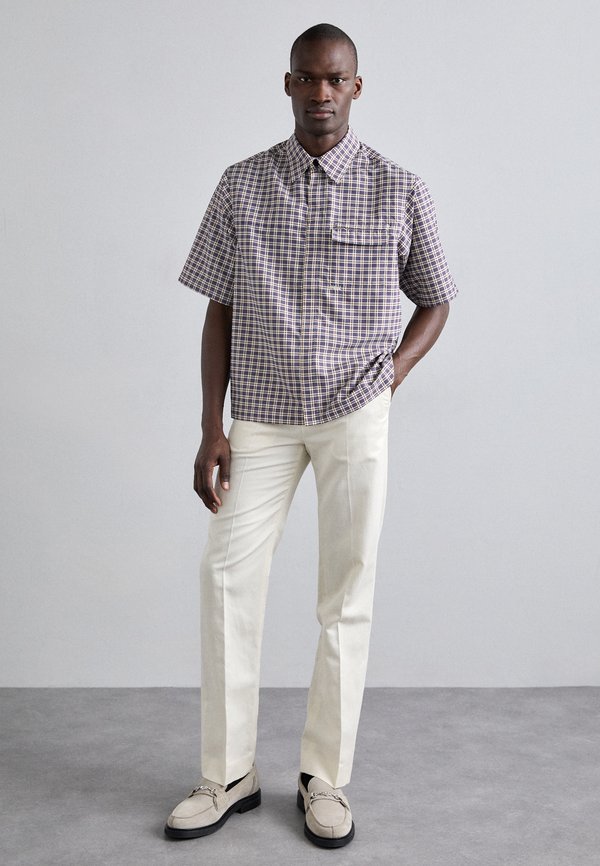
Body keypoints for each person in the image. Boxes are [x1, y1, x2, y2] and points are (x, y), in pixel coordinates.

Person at [165, 23, 457, 849]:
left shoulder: (400, 189)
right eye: (307, 78)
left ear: (356, 87)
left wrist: (391, 374)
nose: (321, 93)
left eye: (335, 80)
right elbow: (219, 308)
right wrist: (210, 425)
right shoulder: (241, 184)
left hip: (353, 415)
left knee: (346, 593)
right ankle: (228, 772)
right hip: (259, 415)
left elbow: (436, 297)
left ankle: (324, 778)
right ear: (288, 84)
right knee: (226, 578)